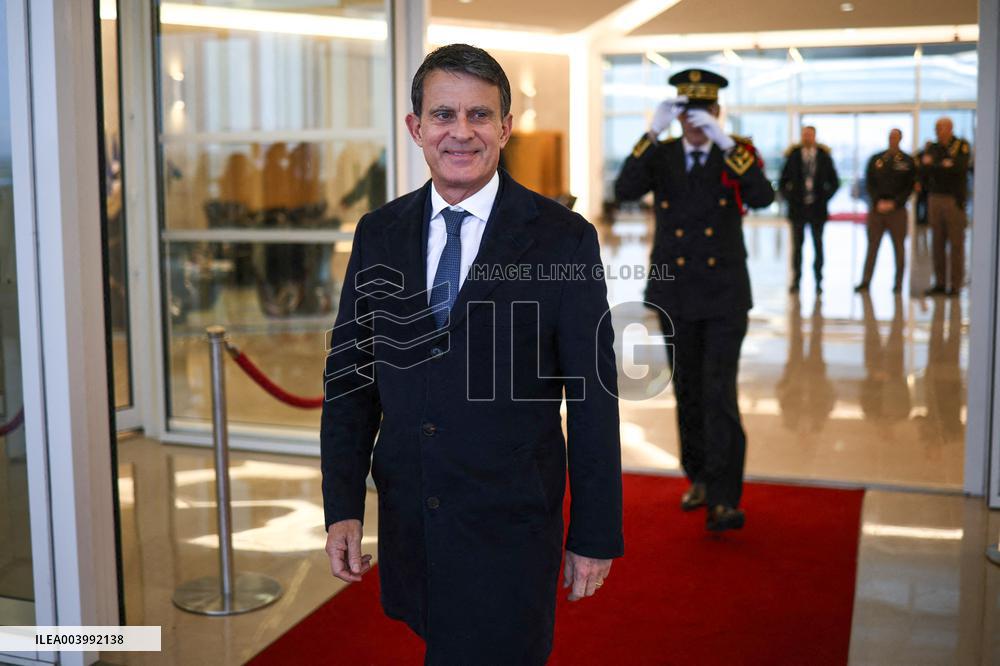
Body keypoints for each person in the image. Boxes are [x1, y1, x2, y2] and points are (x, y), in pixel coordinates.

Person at [321, 44, 623, 665]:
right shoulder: (380, 232)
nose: (461, 132)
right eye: (443, 115)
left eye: (480, 115)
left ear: (505, 128)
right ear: (416, 128)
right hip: (414, 518)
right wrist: (343, 505)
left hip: (509, 523)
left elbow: (593, 396)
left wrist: (594, 531)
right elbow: (352, 378)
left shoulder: (563, 238)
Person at [614, 69, 775, 531]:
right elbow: (625, 190)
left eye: (704, 113)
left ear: (718, 113)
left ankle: (725, 498)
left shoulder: (735, 155)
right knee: (687, 390)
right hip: (675, 293)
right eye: (687, 114)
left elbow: (763, 197)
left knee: (717, 391)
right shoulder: (662, 155)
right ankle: (700, 478)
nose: (695, 123)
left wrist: (726, 143)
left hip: (724, 294)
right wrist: (651, 131)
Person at [779, 126, 839, 294]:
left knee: (818, 246)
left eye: (810, 135)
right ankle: (796, 281)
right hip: (798, 209)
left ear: (815, 137)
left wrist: (824, 197)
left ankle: (819, 281)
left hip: (817, 209)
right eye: (805, 135)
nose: (807, 138)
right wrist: (790, 197)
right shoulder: (793, 156)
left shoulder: (824, 157)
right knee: (797, 247)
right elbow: (783, 181)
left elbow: (834, 182)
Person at [855, 128, 916, 294]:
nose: (893, 140)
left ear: (901, 139)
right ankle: (865, 281)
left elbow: (910, 187)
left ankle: (898, 284)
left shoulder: (907, 161)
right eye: (891, 137)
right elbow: (868, 183)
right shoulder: (876, 159)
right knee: (872, 246)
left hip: (897, 211)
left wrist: (895, 203)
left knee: (899, 247)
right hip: (877, 209)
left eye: (896, 137)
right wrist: (876, 202)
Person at [920, 117, 971, 296]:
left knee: (956, 243)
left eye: (941, 128)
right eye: (936, 128)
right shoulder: (932, 147)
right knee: (937, 242)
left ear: (950, 128)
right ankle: (940, 283)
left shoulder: (961, 145)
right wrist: (942, 165)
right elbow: (925, 170)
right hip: (935, 199)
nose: (937, 131)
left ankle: (956, 285)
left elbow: (959, 168)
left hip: (953, 200)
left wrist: (936, 165)